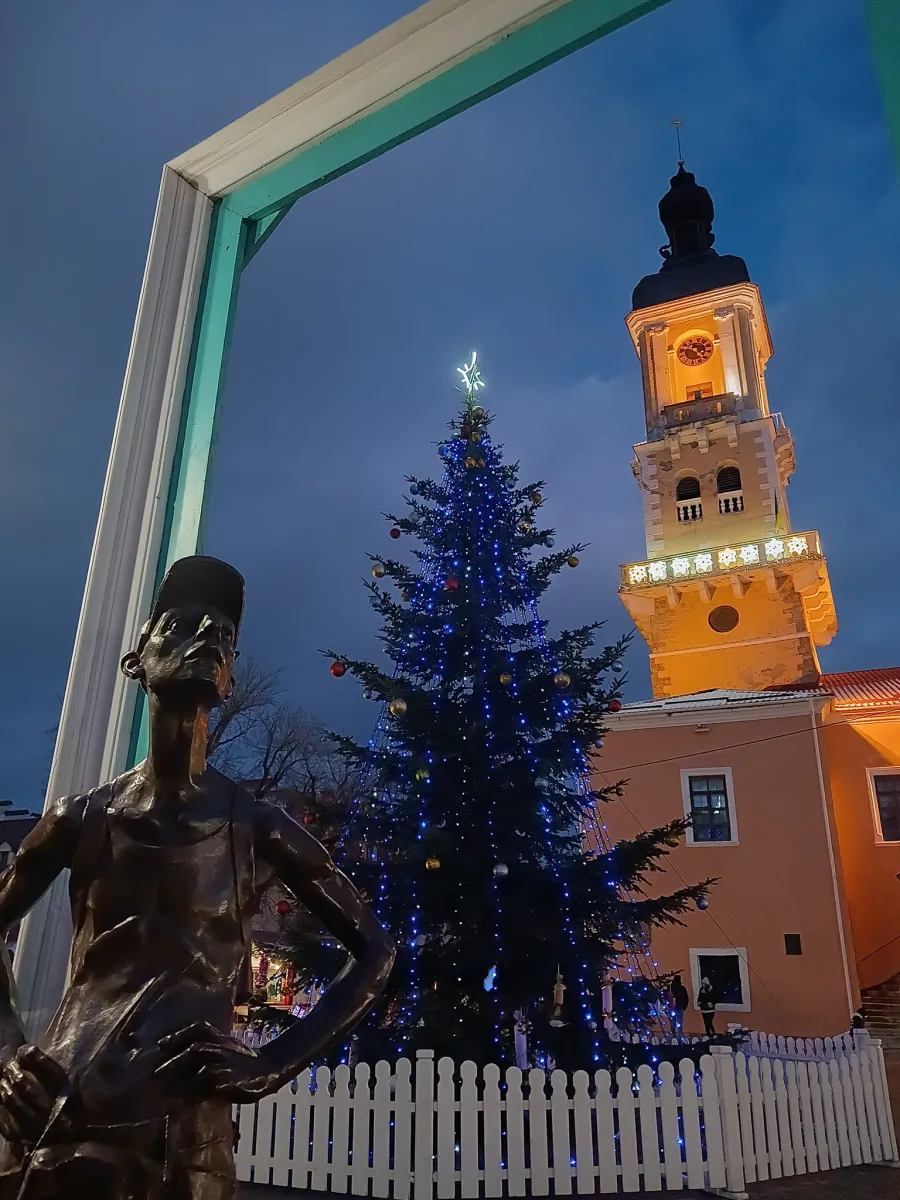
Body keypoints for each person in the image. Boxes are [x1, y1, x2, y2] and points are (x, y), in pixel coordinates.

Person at [0, 555, 396, 1199]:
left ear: (231, 679)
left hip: (186, 1127)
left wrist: (271, 1063)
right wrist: (8, 1051)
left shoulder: (257, 826)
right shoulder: (81, 819)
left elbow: (376, 950)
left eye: (224, 635)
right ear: (137, 660)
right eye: (181, 624)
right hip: (59, 1109)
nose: (207, 635)